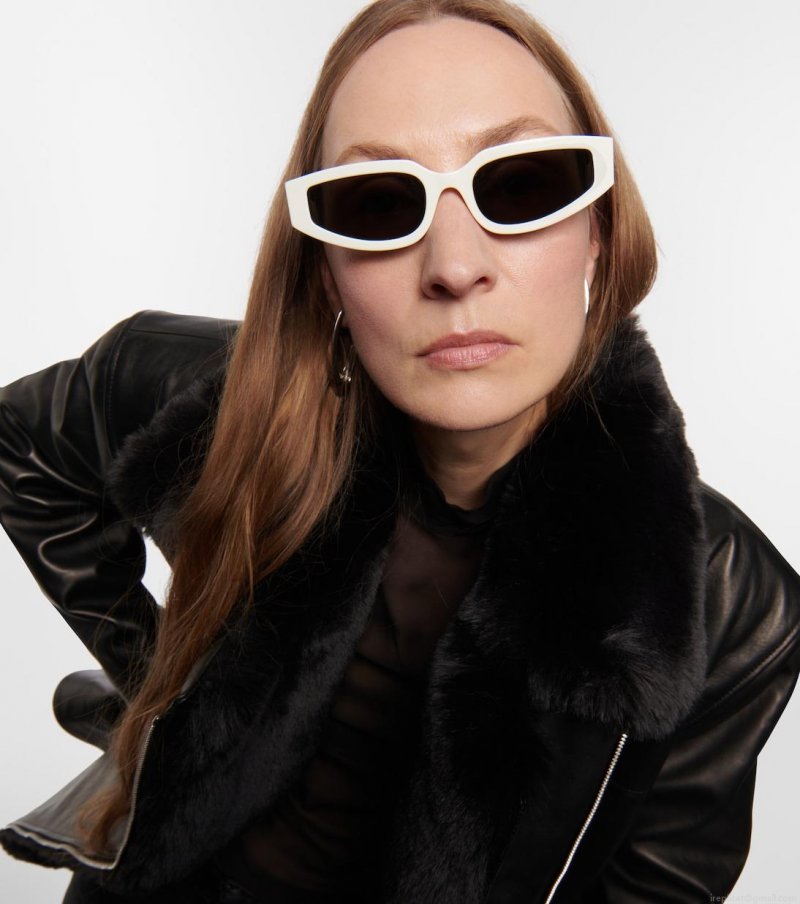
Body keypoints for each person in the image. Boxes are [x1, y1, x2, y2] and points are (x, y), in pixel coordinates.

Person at [1, 0, 799, 901]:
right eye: (378, 202)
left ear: (599, 234)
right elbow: (20, 443)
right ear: (326, 272)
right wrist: (159, 684)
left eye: (521, 183)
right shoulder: (222, 413)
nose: (454, 266)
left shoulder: (729, 603)